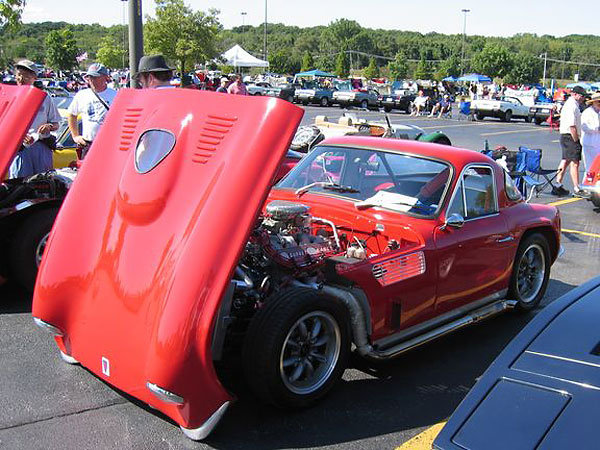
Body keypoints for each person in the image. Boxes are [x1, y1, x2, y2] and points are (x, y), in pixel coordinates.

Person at [8, 59, 61, 178]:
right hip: (19, 149)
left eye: (26, 76)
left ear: (34, 78)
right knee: (18, 186)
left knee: (42, 184)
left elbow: (56, 123)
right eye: (19, 75)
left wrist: (49, 127)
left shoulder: (44, 98)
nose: (21, 79)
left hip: (41, 147)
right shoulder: (10, 97)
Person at [68, 62, 117, 159]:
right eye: (90, 77)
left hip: (110, 145)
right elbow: (72, 114)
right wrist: (75, 136)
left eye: (95, 77)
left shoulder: (115, 95)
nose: (91, 80)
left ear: (105, 78)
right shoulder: (82, 95)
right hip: (88, 144)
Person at [553, 85, 587, 197]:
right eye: (582, 96)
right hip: (570, 135)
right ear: (575, 94)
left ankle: (557, 184)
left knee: (566, 160)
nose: (583, 98)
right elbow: (572, 125)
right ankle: (577, 188)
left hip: (566, 135)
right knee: (575, 163)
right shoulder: (572, 105)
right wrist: (576, 140)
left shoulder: (573, 104)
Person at [580, 92, 600, 172]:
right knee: (590, 168)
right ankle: (587, 184)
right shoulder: (587, 113)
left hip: (598, 143)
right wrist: (596, 129)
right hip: (589, 144)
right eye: (598, 102)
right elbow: (584, 127)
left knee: (598, 168)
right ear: (593, 102)